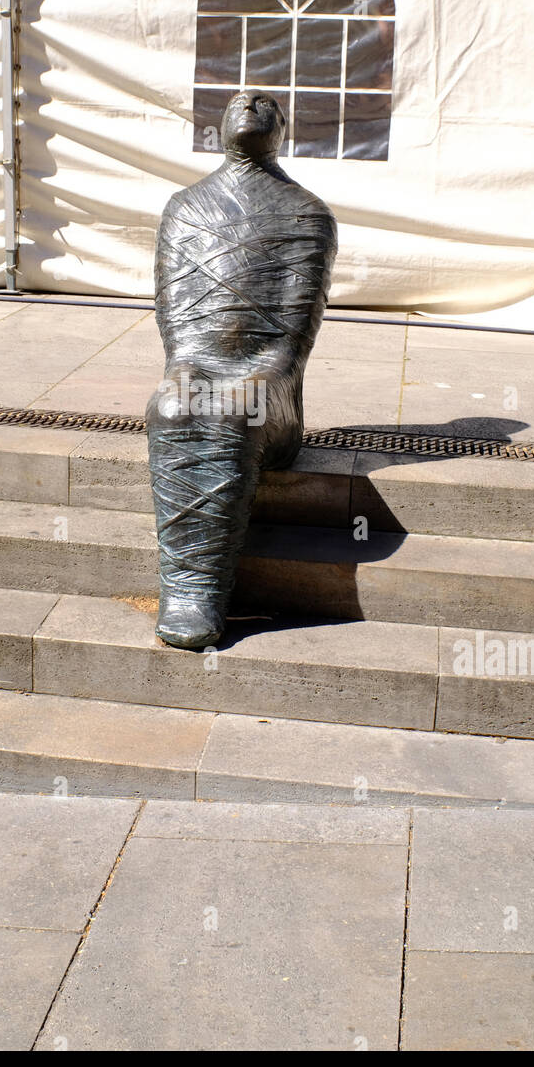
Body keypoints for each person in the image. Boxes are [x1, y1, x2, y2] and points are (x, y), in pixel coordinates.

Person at [146, 89, 338, 649]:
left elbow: (290, 341)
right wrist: (184, 371)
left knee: (238, 407)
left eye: (266, 103)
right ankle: (180, 584)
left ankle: (197, 591)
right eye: (238, 99)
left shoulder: (308, 213)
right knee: (172, 403)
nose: (250, 102)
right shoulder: (185, 207)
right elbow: (179, 327)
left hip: (271, 387)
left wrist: (253, 380)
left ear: (283, 129)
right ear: (220, 123)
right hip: (199, 361)